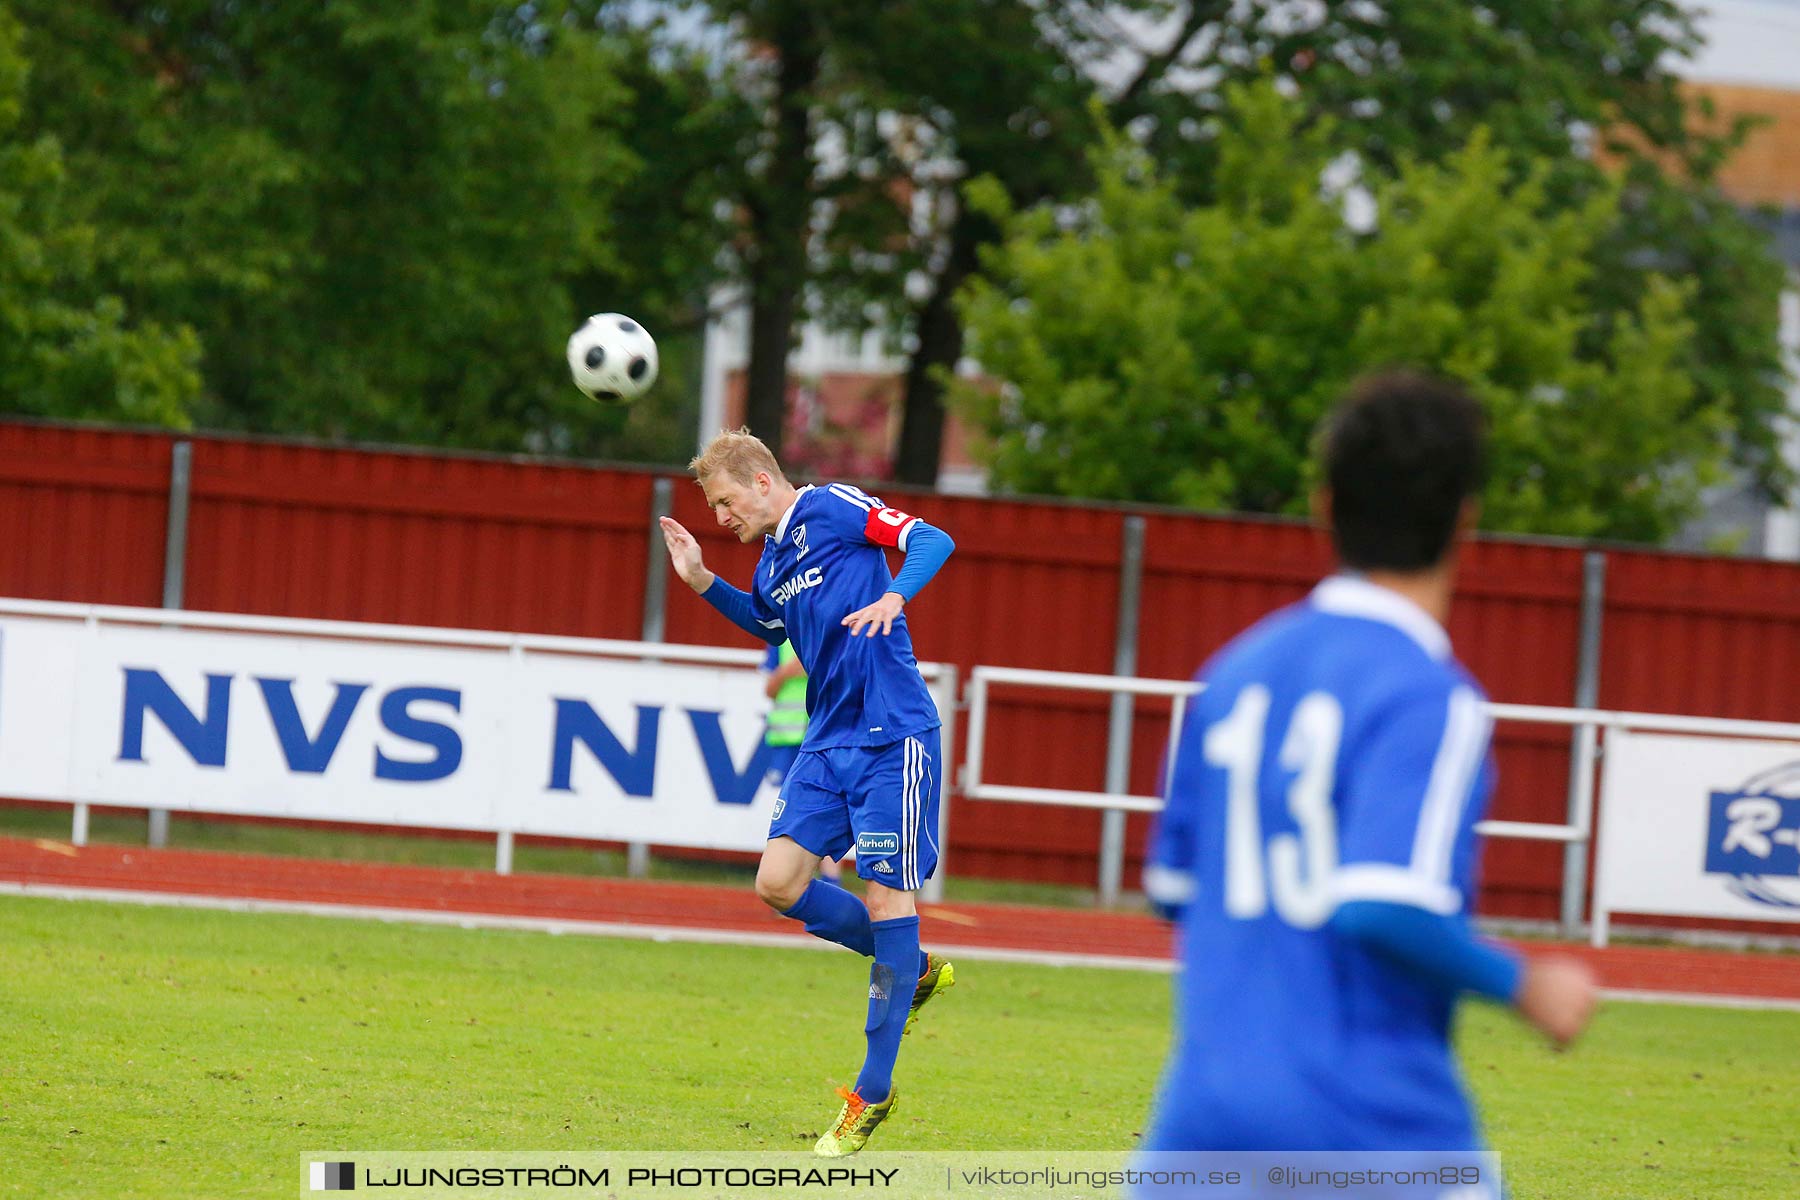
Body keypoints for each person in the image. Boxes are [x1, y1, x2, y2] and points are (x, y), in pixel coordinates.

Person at [1141, 372, 1598, 1165]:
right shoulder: (1430, 695)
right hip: (1369, 1121)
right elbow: (1384, 904)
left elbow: (1172, 887)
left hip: (1201, 1121)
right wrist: (1525, 983)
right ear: (1467, 519)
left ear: (1325, 506)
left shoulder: (1234, 672)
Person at [659, 429, 957, 1156]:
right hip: (828, 741)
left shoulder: (832, 508)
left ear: (762, 482)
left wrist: (893, 596)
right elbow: (767, 620)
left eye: (725, 503)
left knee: (887, 898)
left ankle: (872, 1092)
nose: (721, 520)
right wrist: (701, 579)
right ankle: (910, 966)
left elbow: (932, 540)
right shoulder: (771, 561)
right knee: (779, 882)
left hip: (892, 735)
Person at [760, 639, 843, 882]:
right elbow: (769, 689)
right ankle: (788, 879)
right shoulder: (780, 641)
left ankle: (829, 881)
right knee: (791, 810)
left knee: (827, 804)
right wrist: (787, 671)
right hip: (788, 739)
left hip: (825, 736)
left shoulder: (831, 632)